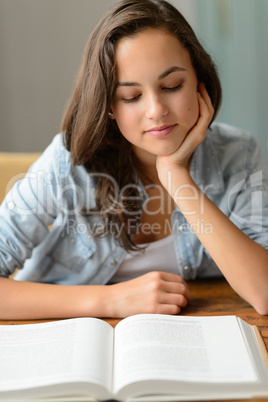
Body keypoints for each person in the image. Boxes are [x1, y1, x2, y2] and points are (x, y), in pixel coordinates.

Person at [0, 0, 268, 320]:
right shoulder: (67, 163)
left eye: (172, 85)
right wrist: (110, 301)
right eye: (131, 97)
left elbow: (263, 293)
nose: (156, 110)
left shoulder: (237, 154)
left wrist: (176, 174)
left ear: (199, 80)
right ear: (109, 106)